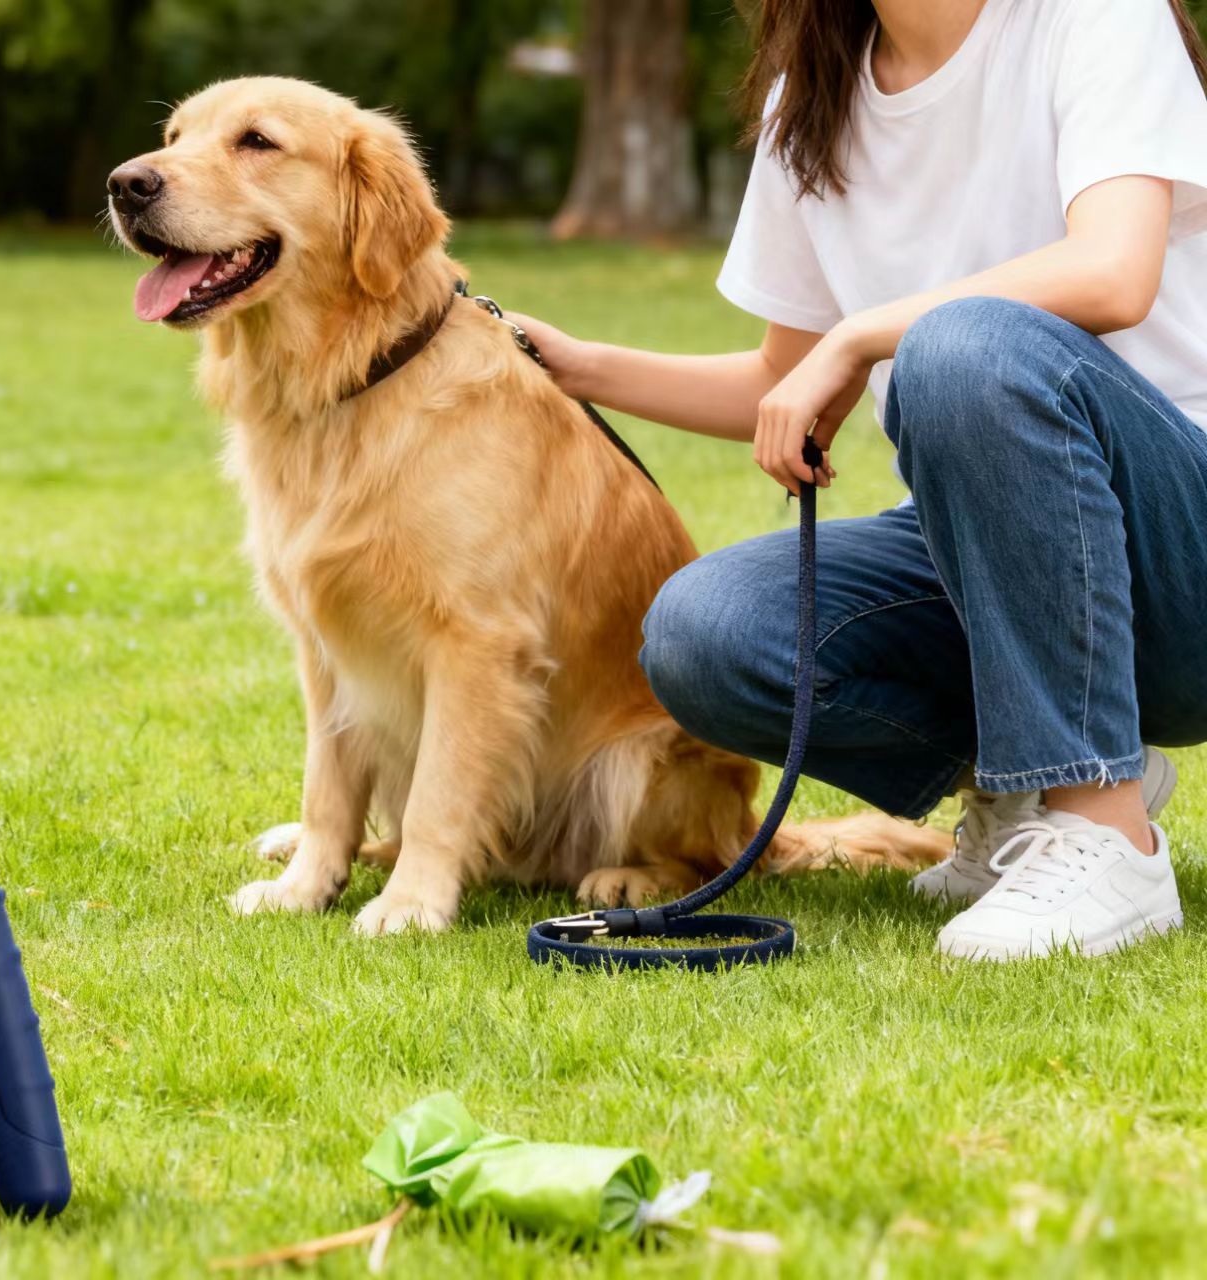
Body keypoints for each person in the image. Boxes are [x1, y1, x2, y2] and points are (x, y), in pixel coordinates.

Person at [509, 0, 1207, 961]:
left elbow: (1112, 271)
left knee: (960, 346)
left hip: (1182, 550)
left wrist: (863, 333)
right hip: (991, 549)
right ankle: (1025, 787)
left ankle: (1105, 827)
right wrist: (578, 366)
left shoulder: (1093, 16)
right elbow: (780, 381)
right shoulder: (814, 97)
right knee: (706, 633)